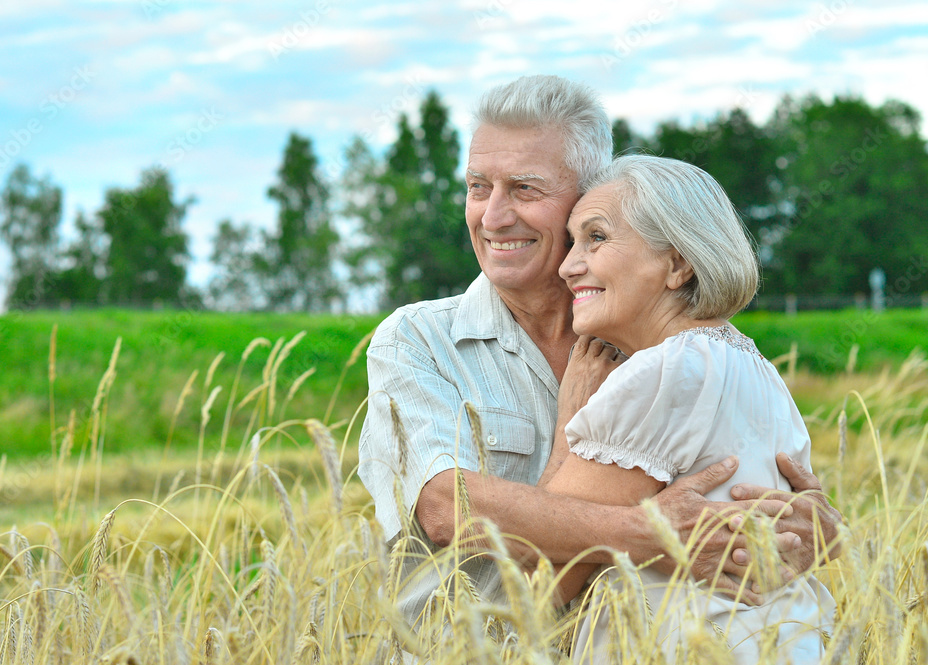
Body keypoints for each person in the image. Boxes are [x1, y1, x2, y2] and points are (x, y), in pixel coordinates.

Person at [356, 74, 841, 639]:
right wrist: (650, 533)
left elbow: (761, 500)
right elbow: (444, 505)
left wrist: (811, 532)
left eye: (525, 189)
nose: (492, 217)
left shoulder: (670, 356)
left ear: (589, 192)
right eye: (477, 187)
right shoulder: (417, 339)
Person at [545, 154, 835, 662]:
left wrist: (566, 426)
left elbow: (539, 578)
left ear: (677, 264)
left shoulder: (663, 372)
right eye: (572, 240)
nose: (568, 265)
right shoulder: (756, 366)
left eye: (596, 237)